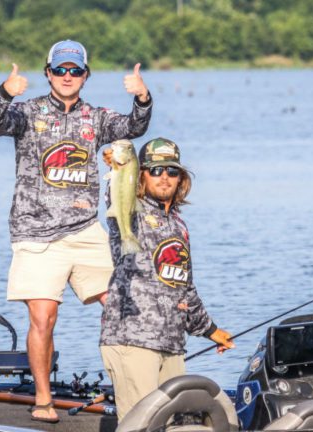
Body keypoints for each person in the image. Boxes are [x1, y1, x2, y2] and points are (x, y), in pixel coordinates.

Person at [0, 40, 152, 424]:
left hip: (84, 230)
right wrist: (4, 93)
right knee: (44, 318)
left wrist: (142, 97)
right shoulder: (27, 113)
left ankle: (136, 391)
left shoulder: (96, 117)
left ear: (85, 76)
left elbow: (134, 127)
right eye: (60, 70)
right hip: (36, 233)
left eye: (75, 71)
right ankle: (43, 400)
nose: (67, 77)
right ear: (48, 73)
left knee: (122, 308)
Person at [100, 138, 235, 421]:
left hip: (172, 344)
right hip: (133, 340)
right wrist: (116, 167)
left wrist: (210, 330)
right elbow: (115, 194)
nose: (164, 177)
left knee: (172, 424)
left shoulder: (178, 225)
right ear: (141, 175)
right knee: (141, 425)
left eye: (172, 172)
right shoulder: (132, 210)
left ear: (181, 178)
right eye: (156, 170)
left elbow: (184, 287)